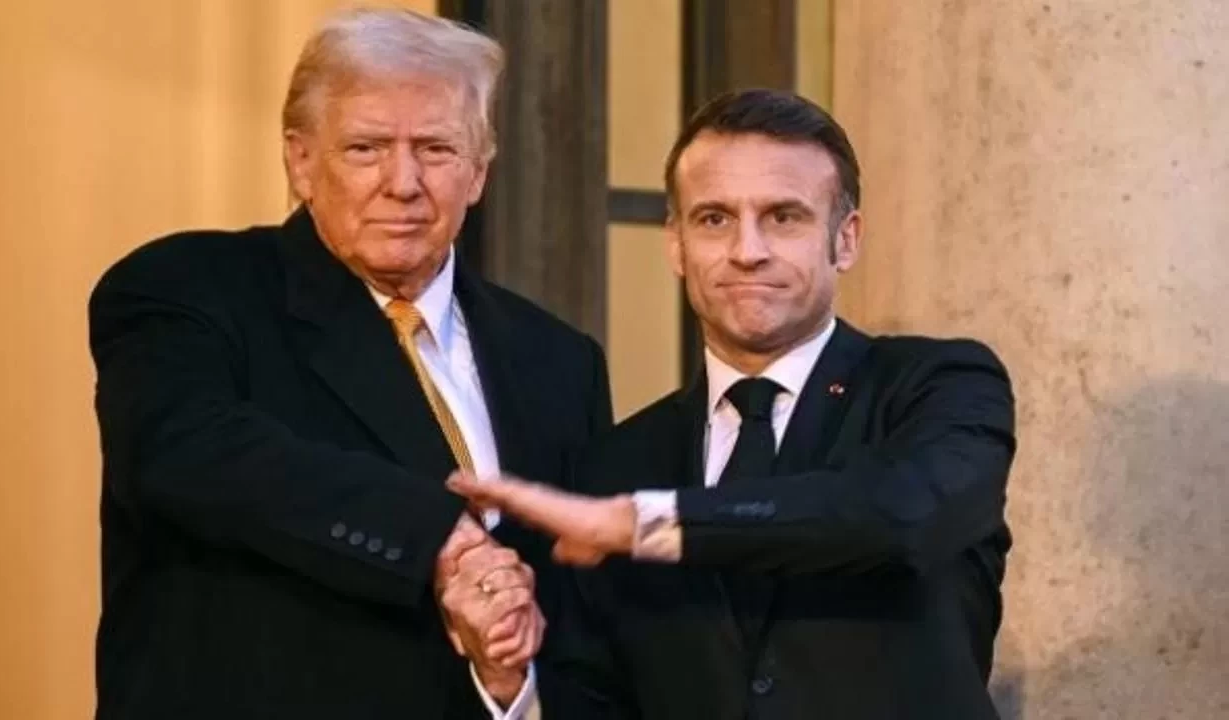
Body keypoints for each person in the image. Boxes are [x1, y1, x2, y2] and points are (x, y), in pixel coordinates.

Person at [88, 8, 610, 719]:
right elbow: (185, 453)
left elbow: (577, 626)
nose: (404, 182)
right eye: (366, 148)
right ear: (300, 161)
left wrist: (508, 689)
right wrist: (435, 536)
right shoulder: (188, 288)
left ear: (479, 173)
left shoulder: (558, 360)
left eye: (436, 148)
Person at [449, 88, 1017, 719]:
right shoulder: (616, 466)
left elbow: (900, 516)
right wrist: (507, 679)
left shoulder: (939, 386)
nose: (748, 251)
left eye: (784, 217)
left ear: (846, 239)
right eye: (715, 219)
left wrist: (647, 525)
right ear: (676, 243)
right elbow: (598, 699)